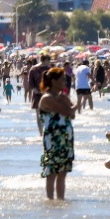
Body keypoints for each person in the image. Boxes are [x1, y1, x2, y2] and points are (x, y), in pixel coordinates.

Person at [38, 66, 76, 200]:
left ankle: (60, 201)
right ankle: (50, 201)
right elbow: (67, 112)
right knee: (52, 173)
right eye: (62, 80)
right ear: (54, 81)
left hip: (65, 139)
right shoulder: (47, 98)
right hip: (53, 139)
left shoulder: (62, 96)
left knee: (63, 173)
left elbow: (72, 115)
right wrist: (71, 103)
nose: (65, 82)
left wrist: (66, 100)